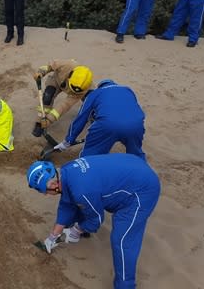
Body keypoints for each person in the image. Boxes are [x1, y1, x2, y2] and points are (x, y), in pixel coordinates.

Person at [26, 154, 160, 289]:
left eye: (44, 191)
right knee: (83, 204)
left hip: (142, 190)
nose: (45, 194)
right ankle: (80, 232)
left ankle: (125, 285)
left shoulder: (81, 192)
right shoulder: (67, 170)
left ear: (54, 184)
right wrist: (53, 235)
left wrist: (77, 229)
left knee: (122, 239)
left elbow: (96, 219)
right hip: (133, 165)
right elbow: (67, 203)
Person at [54, 79, 146, 160]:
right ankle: (143, 171)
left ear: (99, 87)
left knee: (89, 158)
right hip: (136, 124)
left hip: (107, 125)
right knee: (136, 156)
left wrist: (68, 141)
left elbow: (81, 118)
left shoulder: (95, 94)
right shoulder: (127, 90)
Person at [31, 60, 93, 137]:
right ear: (70, 75)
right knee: (47, 96)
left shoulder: (82, 90)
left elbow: (64, 106)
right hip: (57, 80)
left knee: (90, 96)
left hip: (75, 93)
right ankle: (39, 122)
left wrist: (49, 120)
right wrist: (41, 72)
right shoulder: (67, 65)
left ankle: (93, 111)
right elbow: (49, 66)